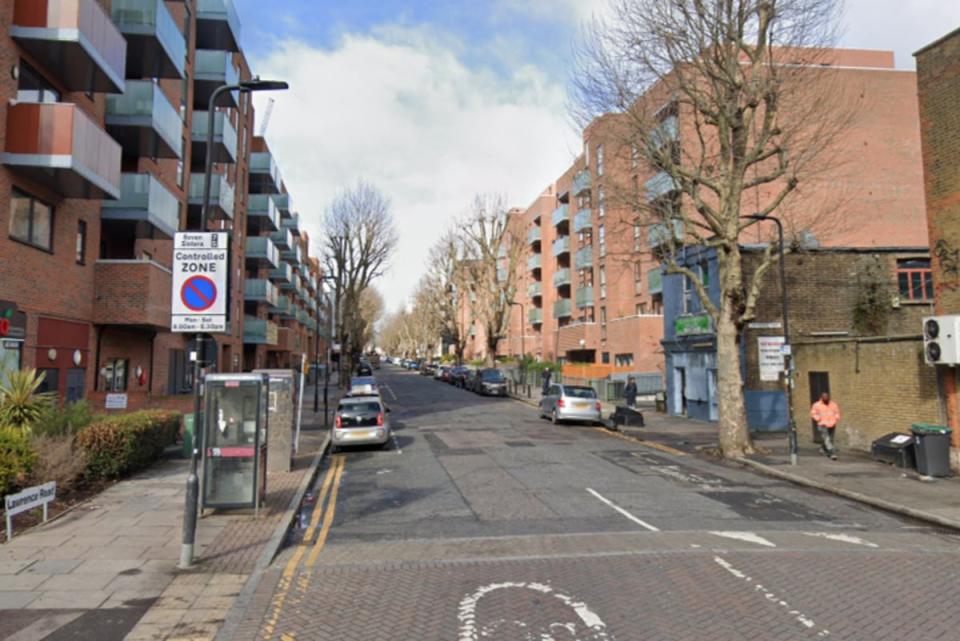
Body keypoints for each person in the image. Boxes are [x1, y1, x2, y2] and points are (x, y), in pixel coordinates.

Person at [810, 392, 840, 460]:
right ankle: (832, 453)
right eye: (824, 397)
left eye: (827, 396)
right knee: (827, 439)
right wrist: (818, 419)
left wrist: (836, 418)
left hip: (832, 424)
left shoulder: (833, 404)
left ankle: (823, 448)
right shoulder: (817, 405)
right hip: (822, 424)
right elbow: (813, 413)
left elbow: (837, 412)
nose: (826, 398)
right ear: (821, 397)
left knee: (830, 439)